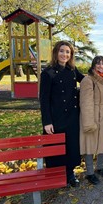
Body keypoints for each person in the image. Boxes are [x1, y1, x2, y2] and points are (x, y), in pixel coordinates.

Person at [40, 40, 84, 187]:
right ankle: (56, 176)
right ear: (56, 53)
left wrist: (101, 76)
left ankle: (70, 174)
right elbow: (44, 99)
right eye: (61, 51)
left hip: (72, 116)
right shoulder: (48, 73)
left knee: (71, 146)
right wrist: (47, 121)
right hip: (55, 117)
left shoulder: (72, 70)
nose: (64, 54)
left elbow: (85, 81)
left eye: (67, 52)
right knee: (56, 147)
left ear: (70, 55)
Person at [79, 56, 103, 185]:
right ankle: (89, 173)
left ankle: (100, 167)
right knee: (89, 145)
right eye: (98, 64)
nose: (101, 66)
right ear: (93, 65)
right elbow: (85, 102)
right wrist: (89, 122)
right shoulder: (88, 80)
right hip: (92, 116)